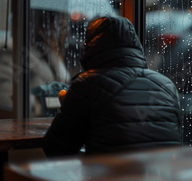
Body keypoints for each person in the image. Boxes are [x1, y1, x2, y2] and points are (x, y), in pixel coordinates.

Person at [42, 16, 181, 157]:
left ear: (90, 46)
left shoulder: (87, 85)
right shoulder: (167, 85)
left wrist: (70, 108)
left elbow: (55, 149)